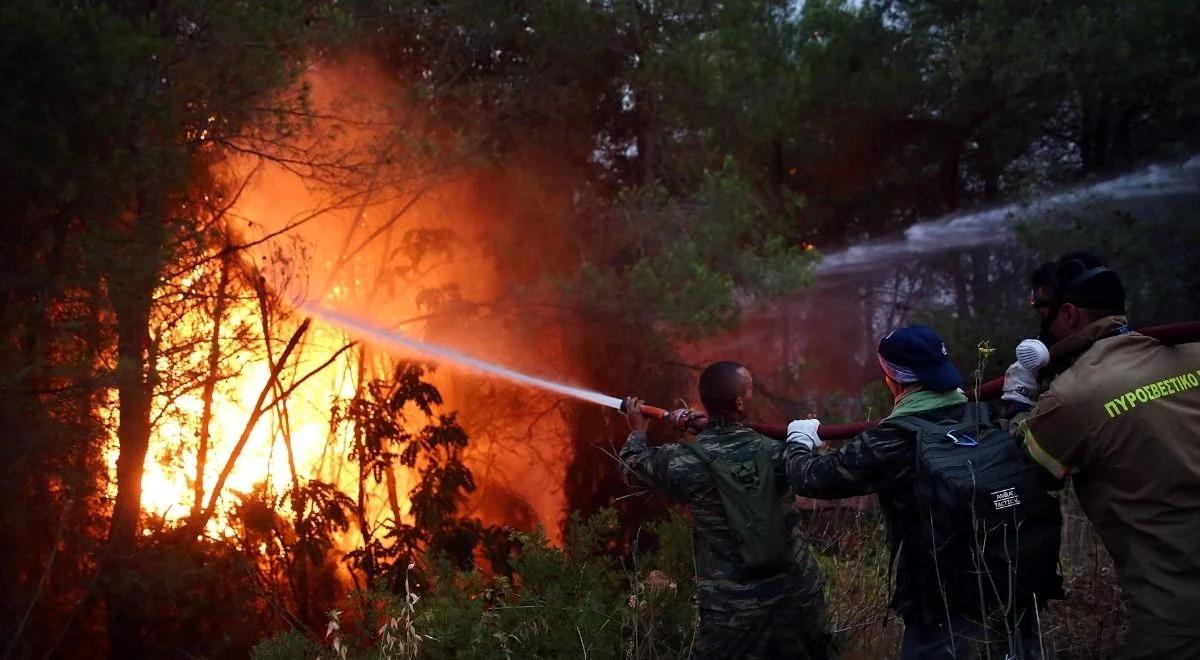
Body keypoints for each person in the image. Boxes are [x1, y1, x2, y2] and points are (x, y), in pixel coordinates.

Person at [784, 325, 1056, 659]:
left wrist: (800, 439)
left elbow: (810, 479)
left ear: (894, 380)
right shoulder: (985, 416)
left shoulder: (892, 441)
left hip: (942, 609)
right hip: (1015, 590)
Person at [1002, 252, 1200, 659]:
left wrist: (1018, 401)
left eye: (1041, 306)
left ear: (1070, 314)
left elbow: (1023, 469)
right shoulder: (1191, 353)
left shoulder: (1074, 397)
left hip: (1178, 616)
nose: (1039, 319)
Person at [620, 360, 831, 660]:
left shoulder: (685, 461)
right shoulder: (777, 450)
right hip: (796, 597)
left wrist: (637, 431)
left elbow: (632, 467)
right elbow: (816, 468)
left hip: (731, 610)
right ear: (740, 403)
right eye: (750, 390)